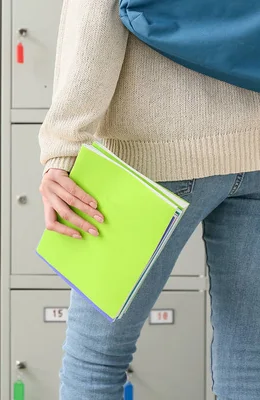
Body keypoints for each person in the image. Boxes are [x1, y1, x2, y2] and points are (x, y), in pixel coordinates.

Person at [37, 0, 260, 399]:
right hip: (256, 151)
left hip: (149, 157)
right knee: (250, 357)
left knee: (96, 363)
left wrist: (63, 149)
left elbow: (93, 18)